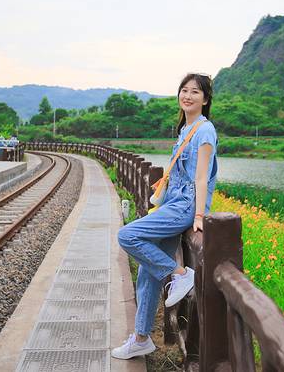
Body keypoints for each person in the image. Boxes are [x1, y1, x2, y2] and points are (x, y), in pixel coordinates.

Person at [112, 73, 218, 360]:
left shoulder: (205, 131)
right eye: (184, 90)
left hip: (184, 206)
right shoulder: (186, 129)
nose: (187, 96)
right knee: (148, 270)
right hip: (173, 202)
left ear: (205, 99)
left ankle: (179, 274)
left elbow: (201, 178)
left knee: (127, 235)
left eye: (195, 92)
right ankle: (141, 338)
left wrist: (199, 215)